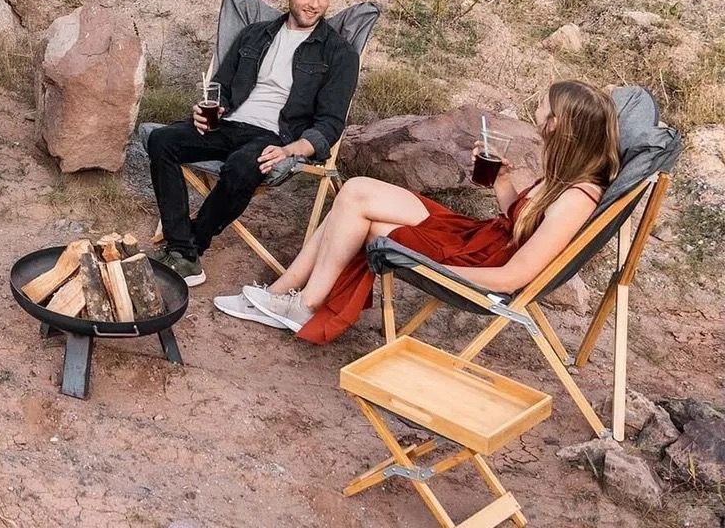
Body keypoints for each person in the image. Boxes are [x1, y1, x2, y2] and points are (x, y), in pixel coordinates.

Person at [217, 79, 618, 341]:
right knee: (355, 191)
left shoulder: (576, 198)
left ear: (558, 125)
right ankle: (286, 295)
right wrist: (502, 182)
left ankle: (299, 303)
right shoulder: (567, 175)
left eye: (543, 109)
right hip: (476, 236)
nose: (536, 112)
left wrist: (433, 269)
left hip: (475, 260)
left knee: (364, 220)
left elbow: (515, 276)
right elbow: (522, 221)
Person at [146, 0, 359, 287]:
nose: (315, 4)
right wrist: (208, 109)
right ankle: (181, 249)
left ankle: (188, 247)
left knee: (242, 166)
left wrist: (290, 150)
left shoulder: (339, 54)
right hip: (229, 124)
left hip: (275, 136)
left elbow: (330, 124)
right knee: (161, 140)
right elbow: (221, 87)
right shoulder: (254, 35)